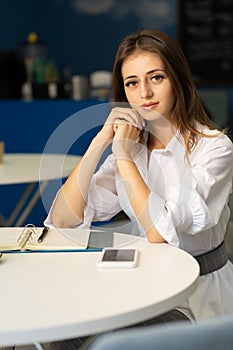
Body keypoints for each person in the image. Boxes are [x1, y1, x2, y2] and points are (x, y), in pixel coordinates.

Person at [45, 28, 233, 338]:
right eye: (132, 83)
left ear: (178, 80)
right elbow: (64, 219)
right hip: (149, 284)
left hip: (199, 297)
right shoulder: (131, 148)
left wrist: (122, 155)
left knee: (100, 335)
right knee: (64, 331)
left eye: (156, 78)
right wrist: (100, 141)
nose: (144, 94)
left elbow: (159, 232)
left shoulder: (214, 148)